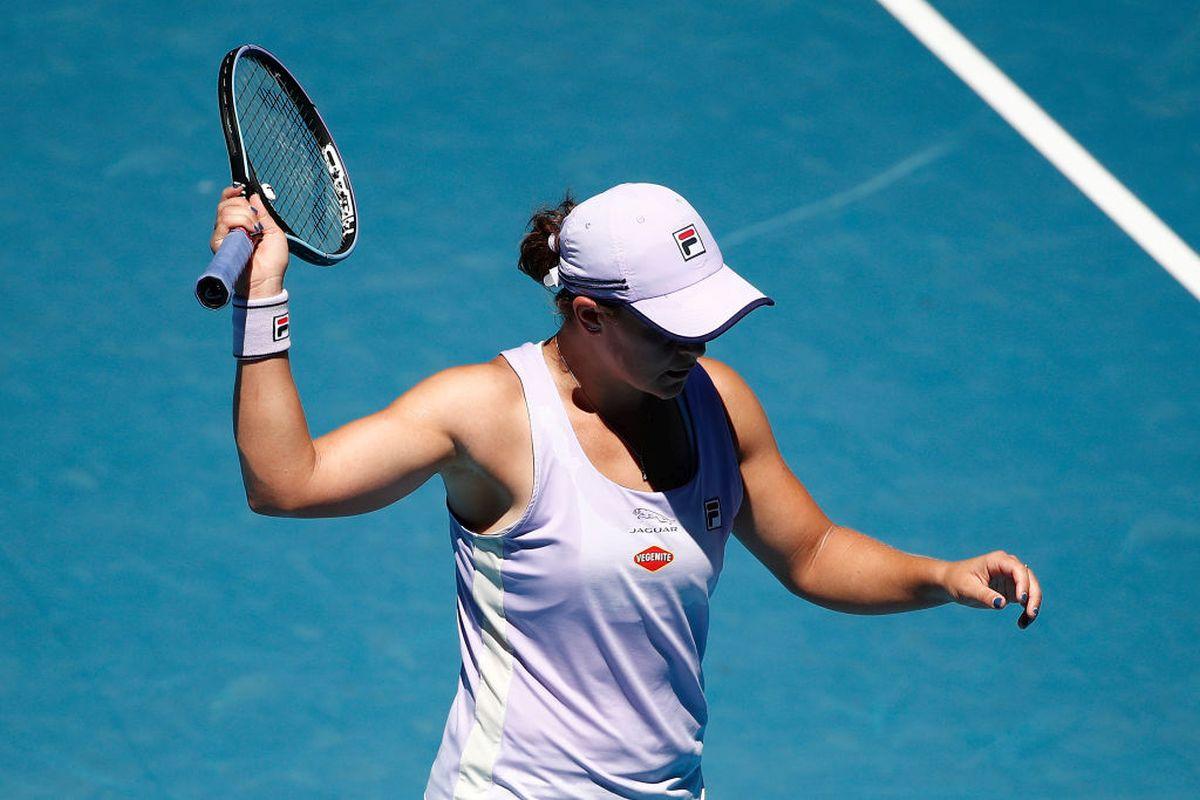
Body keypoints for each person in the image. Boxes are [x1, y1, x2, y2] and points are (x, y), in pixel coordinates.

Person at [211, 181, 1044, 799]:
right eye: (672, 326)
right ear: (589, 315)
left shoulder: (720, 403)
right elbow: (289, 483)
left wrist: (939, 575)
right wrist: (264, 300)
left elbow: (813, 551)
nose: (699, 343)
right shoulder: (487, 415)